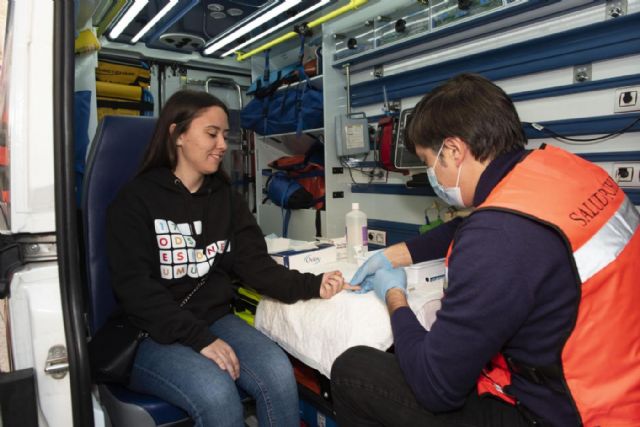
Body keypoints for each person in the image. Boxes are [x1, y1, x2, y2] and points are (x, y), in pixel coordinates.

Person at [331, 73, 640, 426]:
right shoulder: (568, 171)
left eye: (429, 162)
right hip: (622, 385)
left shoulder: (497, 237)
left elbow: (436, 387)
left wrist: (395, 297)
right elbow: (482, 224)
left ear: (453, 150)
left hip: (571, 413)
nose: (431, 175)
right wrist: (391, 255)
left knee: (354, 371)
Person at [106, 90, 354, 427]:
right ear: (178, 135)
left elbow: (257, 267)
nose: (222, 144)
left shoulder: (226, 199)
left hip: (214, 319)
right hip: (153, 329)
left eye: (225, 135)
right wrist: (200, 339)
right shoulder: (136, 200)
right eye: (211, 133)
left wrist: (314, 285)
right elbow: (136, 290)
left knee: (279, 373)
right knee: (216, 393)